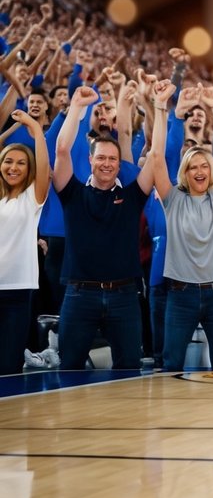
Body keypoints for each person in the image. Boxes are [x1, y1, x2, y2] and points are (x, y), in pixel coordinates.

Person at [53, 85, 155, 369]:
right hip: (79, 294)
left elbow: (156, 154)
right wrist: (76, 107)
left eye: (112, 159)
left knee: (129, 370)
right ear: (90, 160)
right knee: (70, 368)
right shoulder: (72, 193)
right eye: (101, 158)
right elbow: (62, 150)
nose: (107, 164)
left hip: (124, 295)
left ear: (119, 164)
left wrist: (158, 107)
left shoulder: (133, 196)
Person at [150, 81, 213, 371]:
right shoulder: (173, 199)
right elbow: (156, 158)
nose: (199, 171)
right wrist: (163, 107)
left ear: (211, 170)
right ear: (185, 173)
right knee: (172, 364)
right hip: (180, 293)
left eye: (204, 165)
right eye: (192, 166)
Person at [0, 110, 49, 374]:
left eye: (21, 163)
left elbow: (44, 166)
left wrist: (35, 129)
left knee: (7, 367)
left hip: (17, 291)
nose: (13, 167)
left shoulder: (32, 198)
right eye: (8, 161)